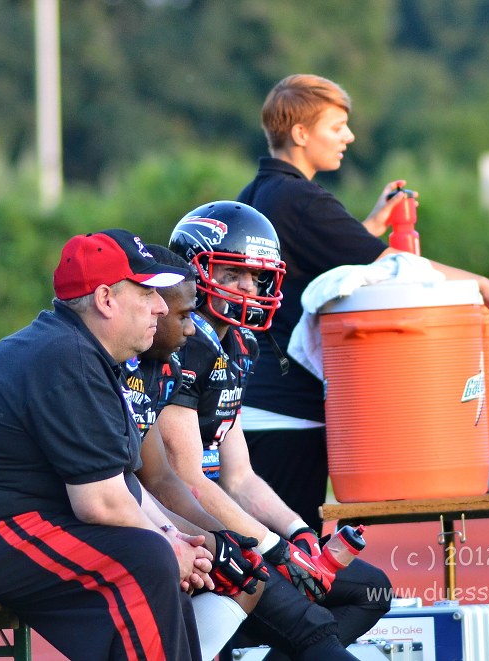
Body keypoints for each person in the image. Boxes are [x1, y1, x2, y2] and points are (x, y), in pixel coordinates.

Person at [0, 229, 209, 660]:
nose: (161, 306)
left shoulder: (79, 350)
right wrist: (166, 546)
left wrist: (173, 536)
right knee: (145, 561)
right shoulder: (65, 356)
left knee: (155, 556)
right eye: (148, 291)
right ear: (106, 299)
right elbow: (102, 503)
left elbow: (123, 485)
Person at [237, 73, 489, 533]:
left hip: (254, 404)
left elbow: (328, 258)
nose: (348, 137)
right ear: (301, 133)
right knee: (289, 562)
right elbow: (395, 266)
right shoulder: (302, 199)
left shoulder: (257, 195)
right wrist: (483, 285)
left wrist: (370, 223)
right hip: (289, 411)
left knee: (267, 556)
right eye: (336, 127)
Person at [158, 201, 392, 660]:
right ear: (194, 272)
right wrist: (275, 551)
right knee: (312, 628)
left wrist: (298, 533)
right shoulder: (181, 344)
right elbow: (186, 481)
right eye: (231, 275)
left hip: (225, 527)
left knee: (372, 590)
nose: (248, 287)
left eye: (256, 276)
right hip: (189, 532)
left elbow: (239, 476)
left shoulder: (241, 344)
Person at [125, 243, 269, 661]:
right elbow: (120, 488)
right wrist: (179, 538)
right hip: (59, 522)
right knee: (166, 567)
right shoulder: (98, 367)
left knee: (244, 570)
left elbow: (151, 478)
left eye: (256, 278)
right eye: (183, 316)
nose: (191, 331)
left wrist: (276, 537)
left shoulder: (177, 360)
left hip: (153, 510)